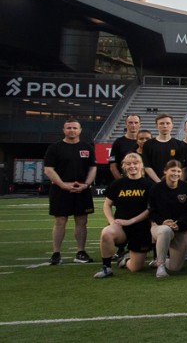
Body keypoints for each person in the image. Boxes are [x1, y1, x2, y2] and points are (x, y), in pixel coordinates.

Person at [43, 118, 97, 265]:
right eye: (69, 128)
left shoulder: (87, 147)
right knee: (60, 221)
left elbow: (93, 167)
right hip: (60, 190)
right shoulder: (55, 148)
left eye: (74, 128)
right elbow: (48, 169)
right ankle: (56, 253)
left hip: (82, 190)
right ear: (64, 130)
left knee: (82, 221)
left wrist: (86, 184)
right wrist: (63, 185)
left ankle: (80, 251)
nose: (72, 130)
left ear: (80, 130)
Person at [92, 153, 152, 278]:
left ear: (141, 165)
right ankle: (106, 267)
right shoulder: (118, 184)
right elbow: (107, 205)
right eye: (128, 164)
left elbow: (150, 209)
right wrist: (111, 221)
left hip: (141, 227)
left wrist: (131, 221)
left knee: (136, 268)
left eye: (135, 163)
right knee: (106, 232)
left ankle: (124, 260)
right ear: (123, 166)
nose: (132, 166)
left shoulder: (149, 185)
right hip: (121, 227)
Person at [149, 160, 187, 278]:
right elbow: (151, 212)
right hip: (160, 226)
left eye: (179, 171)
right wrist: (162, 222)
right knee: (165, 230)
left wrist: (179, 224)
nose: (176, 174)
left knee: (176, 268)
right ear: (165, 171)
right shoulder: (156, 188)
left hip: (181, 229)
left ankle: (158, 261)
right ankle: (161, 266)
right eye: (173, 170)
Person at [109, 114, 142, 181]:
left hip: (143, 181)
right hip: (124, 179)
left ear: (139, 124)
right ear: (126, 124)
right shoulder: (118, 142)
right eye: (130, 122)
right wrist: (121, 181)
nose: (133, 125)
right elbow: (112, 166)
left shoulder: (145, 142)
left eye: (136, 122)